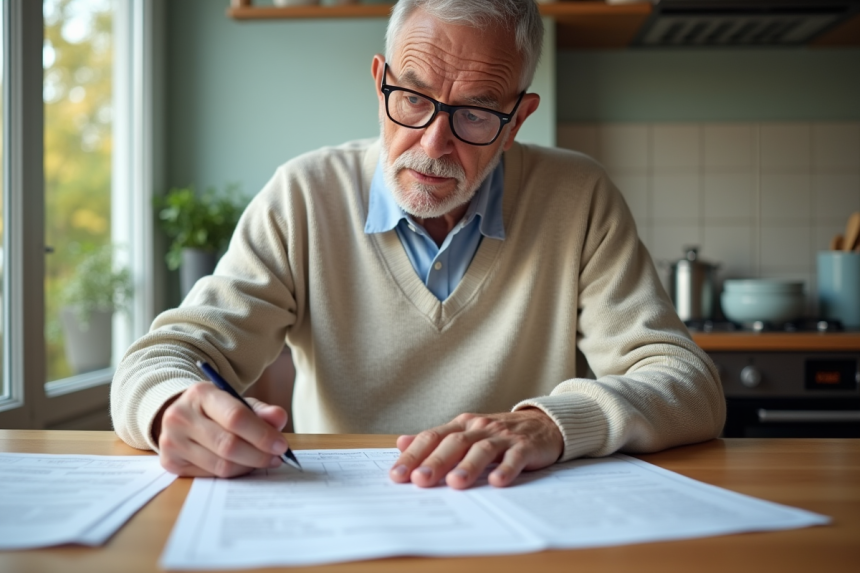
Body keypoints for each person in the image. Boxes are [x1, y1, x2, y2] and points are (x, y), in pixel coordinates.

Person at [111, 0, 725, 489]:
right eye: (412, 97)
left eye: (477, 114)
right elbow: (161, 356)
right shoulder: (302, 195)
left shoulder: (579, 196)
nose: (433, 145)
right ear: (381, 83)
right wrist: (171, 407)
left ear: (518, 120)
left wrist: (550, 425)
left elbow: (688, 386)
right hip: (340, 518)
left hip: (520, 514)